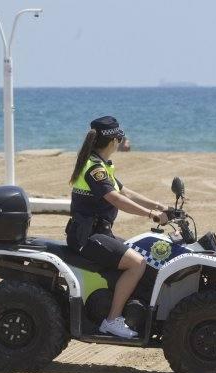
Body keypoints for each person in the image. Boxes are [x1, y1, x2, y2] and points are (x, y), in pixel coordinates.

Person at [67, 116, 168, 339]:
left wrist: (160, 205)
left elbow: (125, 192)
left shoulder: (101, 165)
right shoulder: (94, 169)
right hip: (87, 237)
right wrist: (151, 215)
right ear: (114, 140)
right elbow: (115, 199)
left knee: (141, 252)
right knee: (137, 263)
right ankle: (111, 320)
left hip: (99, 233)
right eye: (120, 137)